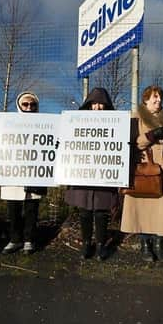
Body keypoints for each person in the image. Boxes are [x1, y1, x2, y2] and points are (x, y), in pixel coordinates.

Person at [121, 85, 163, 262]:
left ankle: (160, 244)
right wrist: (152, 135)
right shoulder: (136, 117)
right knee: (143, 208)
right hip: (143, 169)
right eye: (154, 98)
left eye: (160, 98)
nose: (158, 101)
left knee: (162, 210)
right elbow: (132, 143)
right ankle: (145, 245)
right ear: (145, 100)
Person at [0, 92, 44, 255]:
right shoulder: (9, 125)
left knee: (31, 209)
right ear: (19, 105)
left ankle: (29, 240)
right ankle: (15, 239)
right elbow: (1, 147)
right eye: (25, 104)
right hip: (12, 174)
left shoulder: (45, 125)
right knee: (13, 210)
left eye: (33, 104)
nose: (29, 107)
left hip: (34, 174)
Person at [64, 88, 119, 261]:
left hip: (104, 173)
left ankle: (101, 245)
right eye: (94, 103)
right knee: (85, 211)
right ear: (89, 105)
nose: (98, 107)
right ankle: (87, 243)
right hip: (82, 173)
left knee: (102, 212)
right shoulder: (76, 123)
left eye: (102, 104)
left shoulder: (116, 124)